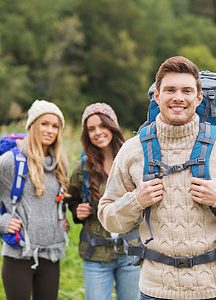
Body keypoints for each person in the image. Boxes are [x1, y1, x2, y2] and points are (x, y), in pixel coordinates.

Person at [97, 56, 216, 300]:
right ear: (157, 96)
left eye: (187, 90)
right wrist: (136, 200)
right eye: (170, 90)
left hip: (214, 289)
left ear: (198, 98)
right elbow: (108, 218)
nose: (178, 97)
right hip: (156, 290)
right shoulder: (132, 150)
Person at [0, 100, 70, 300]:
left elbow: (54, 201)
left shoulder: (59, 163)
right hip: (18, 255)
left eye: (55, 126)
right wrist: (1, 222)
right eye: (44, 124)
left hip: (51, 254)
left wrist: (61, 221)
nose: (50, 130)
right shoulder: (12, 161)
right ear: (32, 126)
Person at [66, 103, 140, 300]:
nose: (98, 132)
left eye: (102, 125)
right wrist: (76, 211)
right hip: (96, 255)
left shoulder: (132, 161)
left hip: (131, 252)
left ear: (113, 126)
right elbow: (71, 199)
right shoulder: (82, 168)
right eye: (91, 129)